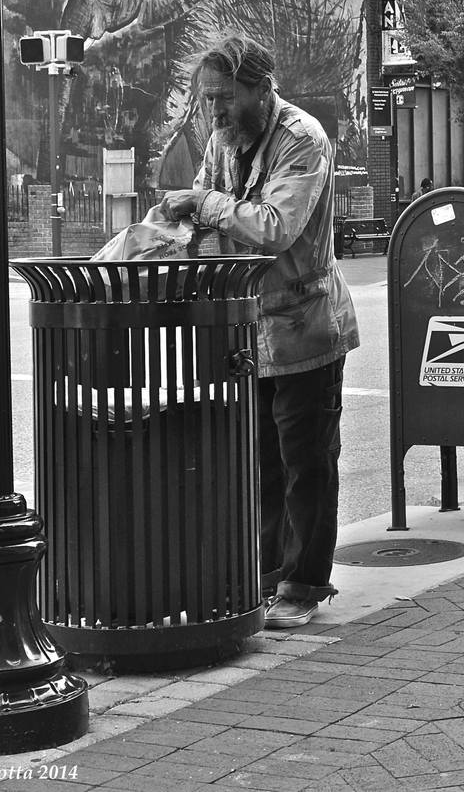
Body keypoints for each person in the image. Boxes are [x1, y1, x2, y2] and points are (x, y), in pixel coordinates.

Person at [161, 35, 360, 629]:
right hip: (250, 331)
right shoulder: (223, 140)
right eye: (205, 101)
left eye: (222, 99)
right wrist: (173, 227)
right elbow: (201, 208)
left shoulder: (302, 139)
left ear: (259, 87)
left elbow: (275, 228)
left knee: (307, 460)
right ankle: (266, 575)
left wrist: (205, 204)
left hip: (306, 326)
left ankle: (303, 583)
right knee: (261, 464)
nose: (212, 113)